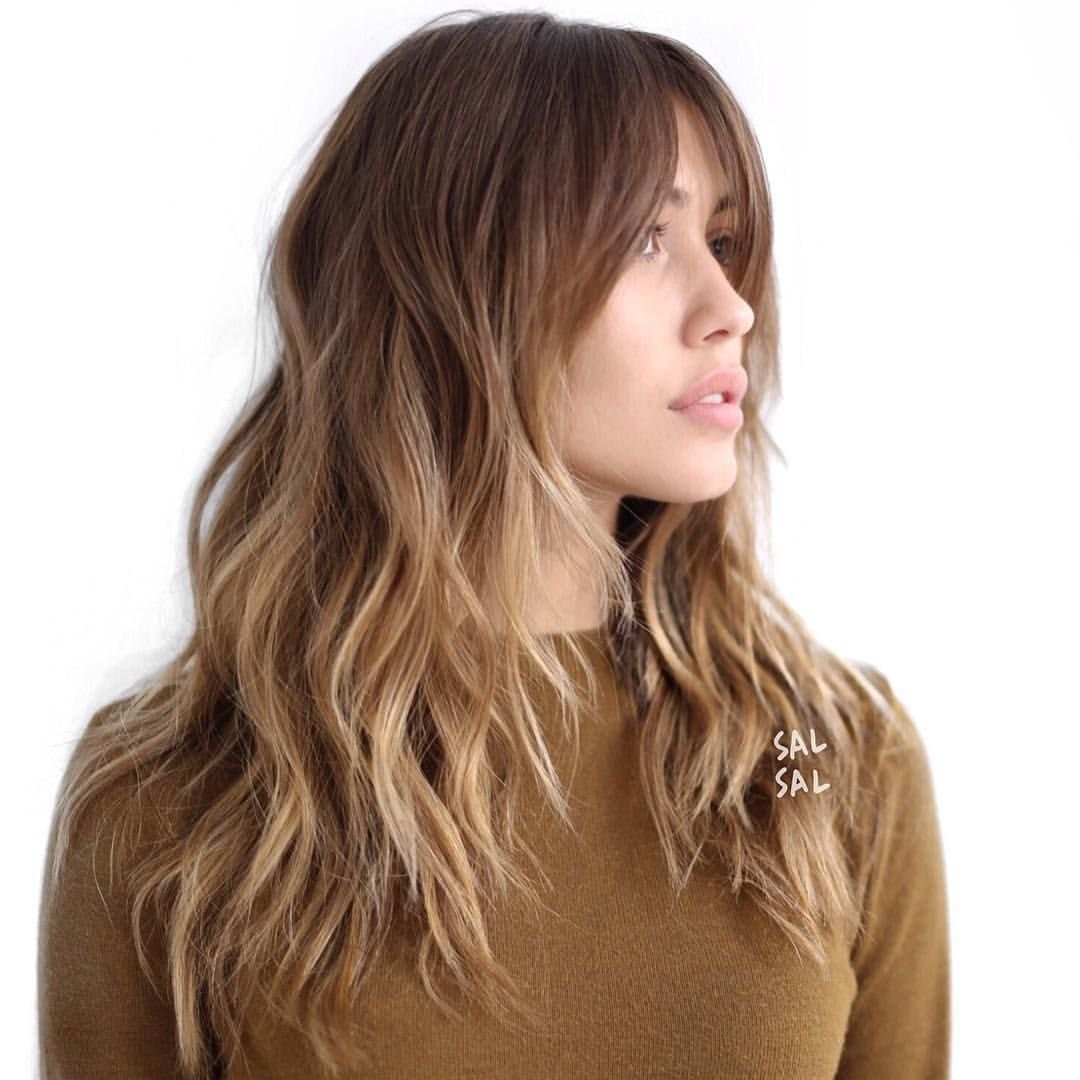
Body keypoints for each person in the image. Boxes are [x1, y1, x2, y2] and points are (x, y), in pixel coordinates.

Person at [37, 9, 950, 1079]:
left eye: (723, 242)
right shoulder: (176, 793)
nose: (730, 308)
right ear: (453, 281)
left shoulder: (828, 762)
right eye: (645, 238)